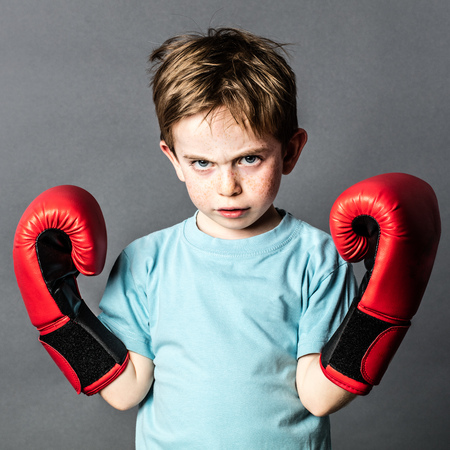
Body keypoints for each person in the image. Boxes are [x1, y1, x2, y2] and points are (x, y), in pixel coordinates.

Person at [97, 28, 358, 448]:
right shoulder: (145, 261)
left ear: (290, 151)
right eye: (201, 162)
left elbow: (320, 395)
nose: (227, 186)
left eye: (249, 159)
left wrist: (384, 308)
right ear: (173, 159)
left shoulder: (320, 258)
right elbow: (124, 391)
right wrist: (59, 313)